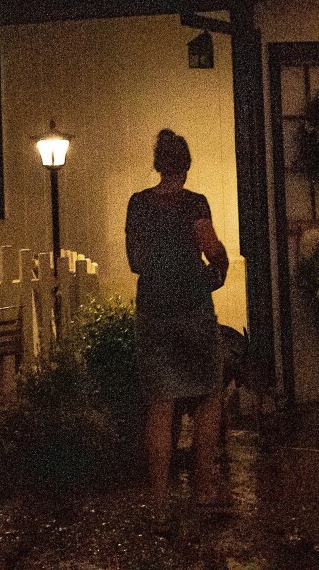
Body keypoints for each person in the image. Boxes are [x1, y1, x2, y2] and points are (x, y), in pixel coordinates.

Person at [124, 128, 230, 503]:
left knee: (161, 404)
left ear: (157, 165)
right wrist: (219, 267)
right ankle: (203, 488)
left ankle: (158, 499)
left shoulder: (138, 204)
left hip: (154, 309)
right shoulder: (195, 204)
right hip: (193, 308)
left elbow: (136, 260)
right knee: (208, 395)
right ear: (185, 166)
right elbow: (211, 248)